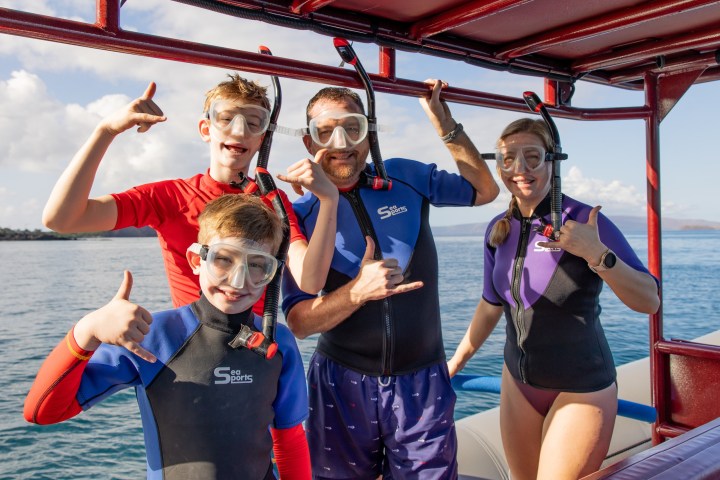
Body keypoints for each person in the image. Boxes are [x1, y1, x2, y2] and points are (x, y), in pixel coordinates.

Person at [281, 80, 500, 479]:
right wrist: (357, 293)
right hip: (340, 383)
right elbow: (298, 322)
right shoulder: (300, 215)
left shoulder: (405, 177)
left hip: (421, 379)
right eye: (325, 131)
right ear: (310, 145)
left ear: (370, 133)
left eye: (353, 127)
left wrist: (445, 123)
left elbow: (484, 191)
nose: (342, 141)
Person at [24, 194, 311, 480]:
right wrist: (87, 331)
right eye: (224, 259)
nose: (238, 281)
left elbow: (289, 439)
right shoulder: (154, 336)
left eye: (257, 265)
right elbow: (42, 412)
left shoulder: (278, 341)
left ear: (272, 273)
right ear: (196, 260)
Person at [447, 118, 661, 480]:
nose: (520, 170)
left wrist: (597, 255)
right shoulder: (497, 228)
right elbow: (490, 305)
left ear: (552, 161)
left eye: (532, 157)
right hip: (519, 382)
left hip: (582, 387)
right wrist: (455, 361)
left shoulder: (585, 222)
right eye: (508, 159)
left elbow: (649, 300)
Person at [42, 74, 338, 312]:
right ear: (206, 129)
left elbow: (309, 282)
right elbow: (63, 220)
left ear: (263, 137)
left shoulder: (273, 201)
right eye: (227, 119)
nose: (239, 131)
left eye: (253, 122)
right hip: (192, 349)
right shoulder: (169, 197)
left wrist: (328, 200)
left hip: (254, 357)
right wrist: (105, 131)